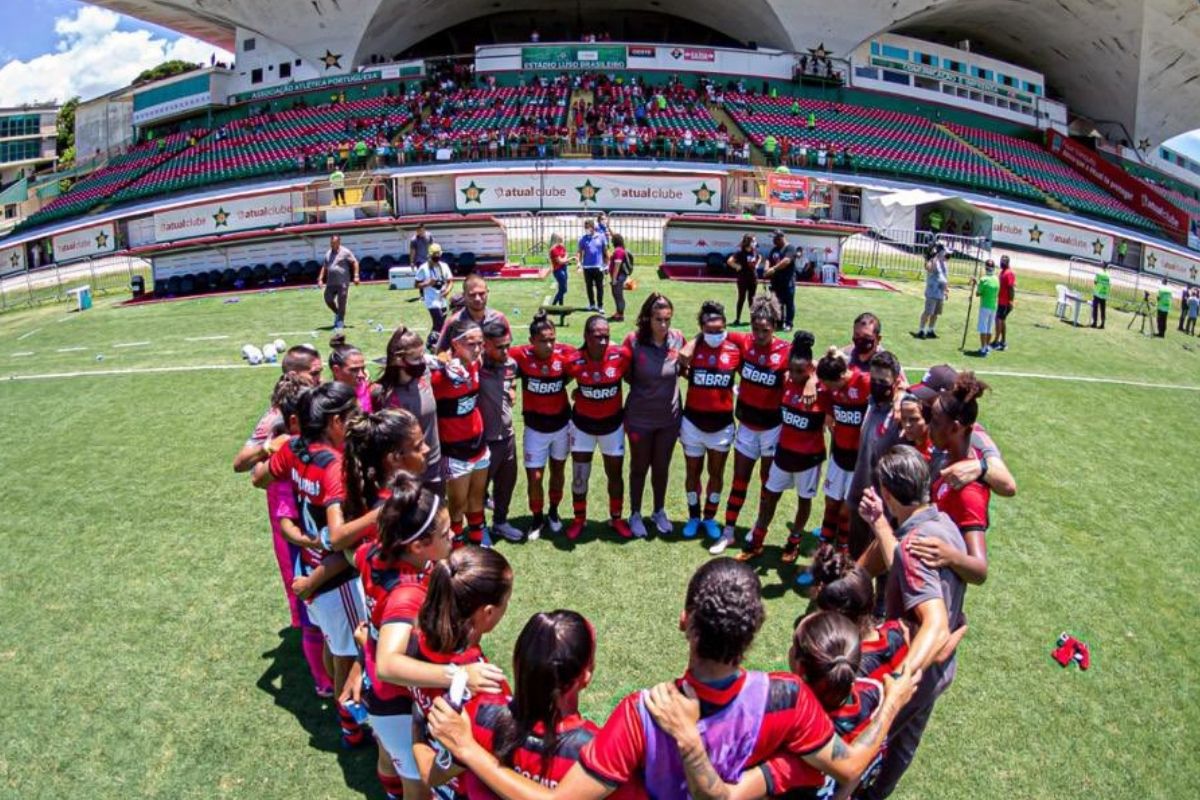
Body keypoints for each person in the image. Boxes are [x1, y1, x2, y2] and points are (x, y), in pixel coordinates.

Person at [428, 558, 917, 800]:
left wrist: (467, 752)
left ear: (685, 621)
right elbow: (849, 768)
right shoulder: (787, 699)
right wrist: (891, 702)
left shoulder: (641, 713)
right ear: (754, 631)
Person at [253, 382, 369, 749]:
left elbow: (259, 478)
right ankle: (351, 725)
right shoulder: (334, 465)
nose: (358, 421)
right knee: (352, 654)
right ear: (335, 422)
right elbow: (336, 536)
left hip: (308, 566)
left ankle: (343, 719)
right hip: (336, 576)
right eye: (353, 415)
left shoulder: (296, 448)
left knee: (333, 645)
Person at [432, 609, 644, 800]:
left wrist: (415, 726)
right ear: (586, 675)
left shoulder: (475, 718)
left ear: (519, 661)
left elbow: (433, 775)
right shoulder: (600, 754)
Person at [856, 446, 967, 799]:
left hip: (913, 669)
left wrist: (899, 680)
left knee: (868, 744)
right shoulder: (943, 525)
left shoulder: (915, 545)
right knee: (904, 745)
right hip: (940, 668)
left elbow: (932, 622)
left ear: (888, 493)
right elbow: (902, 565)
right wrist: (880, 524)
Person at [232, 370, 332, 697]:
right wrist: (271, 452)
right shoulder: (279, 433)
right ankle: (322, 680)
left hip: (313, 525)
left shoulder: (311, 436)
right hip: (295, 529)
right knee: (309, 607)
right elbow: (252, 473)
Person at [356, 473, 455, 800]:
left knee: (389, 754)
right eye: (444, 533)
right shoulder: (407, 592)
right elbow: (388, 663)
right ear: (416, 546)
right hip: (394, 698)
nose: (453, 534)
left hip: (375, 688)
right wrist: (458, 674)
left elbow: (353, 558)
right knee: (419, 783)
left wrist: (368, 633)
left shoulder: (373, 552)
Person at [388, 547, 514, 798]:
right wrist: (417, 737)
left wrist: (418, 721)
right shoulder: (488, 690)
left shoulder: (414, 637)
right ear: (488, 613)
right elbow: (433, 773)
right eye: (506, 601)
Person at [737, 330, 826, 563]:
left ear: (810, 368)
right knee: (769, 496)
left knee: (803, 501)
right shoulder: (783, 381)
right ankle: (757, 539)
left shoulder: (821, 391)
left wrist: (814, 379)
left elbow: (832, 365)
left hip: (809, 459)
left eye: (801, 372)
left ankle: (794, 541)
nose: (795, 376)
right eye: (792, 370)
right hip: (783, 454)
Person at [711, 296, 788, 555]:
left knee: (767, 485)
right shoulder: (744, 341)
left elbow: (811, 368)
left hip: (772, 430)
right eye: (755, 329)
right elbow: (713, 331)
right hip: (746, 426)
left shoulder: (786, 351)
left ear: (774, 327)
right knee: (739, 481)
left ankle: (758, 534)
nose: (759, 334)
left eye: (765, 330)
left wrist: (810, 382)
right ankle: (729, 532)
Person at [678, 301, 743, 541]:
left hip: (722, 425)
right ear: (701, 328)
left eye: (720, 330)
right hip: (693, 423)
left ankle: (709, 517)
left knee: (716, 474)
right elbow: (681, 363)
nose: (716, 335)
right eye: (709, 330)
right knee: (692, 473)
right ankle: (694, 517)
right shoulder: (692, 350)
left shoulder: (735, 350)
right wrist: (697, 339)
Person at [622, 293, 685, 538]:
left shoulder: (678, 339)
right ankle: (635, 513)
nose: (663, 325)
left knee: (661, 467)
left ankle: (659, 511)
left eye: (667, 319)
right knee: (639, 467)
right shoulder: (633, 341)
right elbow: (625, 375)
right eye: (659, 319)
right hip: (639, 418)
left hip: (668, 420)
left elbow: (687, 365)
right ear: (648, 318)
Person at [921, 373, 993, 585]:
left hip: (943, 590)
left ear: (955, 428)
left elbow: (979, 570)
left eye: (934, 422)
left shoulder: (968, 492)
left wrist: (949, 555)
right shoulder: (949, 464)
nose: (929, 428)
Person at [565, 315, 633, 540]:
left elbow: (636, 378)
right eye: (597, 337)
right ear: (586, 336)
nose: (603, 341)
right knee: (579, 476)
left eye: (606, 337)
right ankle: (579, 519)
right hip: (582, 427)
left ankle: (616, 518)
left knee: (614, 475)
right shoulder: (574, 361)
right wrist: (577, 393)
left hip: (612, 427)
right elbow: (557, 381)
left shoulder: (621, 356)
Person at [509, 311, 574, 539]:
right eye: (543, 340)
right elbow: (496, 355)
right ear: (532, 341)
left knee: (558, 471)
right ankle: (537, 518)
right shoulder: (521, 355)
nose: (549, 345)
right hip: (535, 429)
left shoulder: (564, 355)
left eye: (552, 339)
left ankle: (554, 512)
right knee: (535, 477)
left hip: (561, 426)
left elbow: (583, 362)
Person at [840, 351, 904, 564]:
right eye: (874, 380)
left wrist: (904, 395)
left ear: (896, 381)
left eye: (883, 381)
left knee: (885, 564)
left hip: (888, 507)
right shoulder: (870, 403)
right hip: (861, 495)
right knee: (856, 558)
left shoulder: (902, 413)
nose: (877, 385)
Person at [431, 316, 490, 546]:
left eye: (480, 343)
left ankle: (476, 543)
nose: (477, 349)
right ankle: (454, 549)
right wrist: (440, 360)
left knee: (477, 500)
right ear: (455, 344)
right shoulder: (440, 375)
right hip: (455, 451)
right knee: (457, 505)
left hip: (479, 445)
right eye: (471, 344)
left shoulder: (476, 363)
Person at [374, 327, 444, 494]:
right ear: (399, 360)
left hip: (434, 463)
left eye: (422, 356)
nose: (422, 361)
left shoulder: (424, 374)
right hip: (407, 470)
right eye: (416, 358)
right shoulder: (383, 393)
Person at [816, 346, 869, 553]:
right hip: (838, 455)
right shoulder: (831, 386)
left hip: (858, 461)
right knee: (831, 505)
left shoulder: (864, 382)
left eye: (830, 385)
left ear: (841, 376)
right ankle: (823, 553)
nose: (829, 389)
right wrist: (829, 411)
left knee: (847, 511)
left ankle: (842, 556)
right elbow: (823, 392)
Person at [479, 320, 523, 543]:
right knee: (478, 491)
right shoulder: (474, 367)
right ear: (485, 345)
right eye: (499, 347)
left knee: (506, 484)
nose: (505, 351)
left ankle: (500, 523)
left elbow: (510, 384)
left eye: (508, 345)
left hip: (507, 436)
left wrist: (512, 390)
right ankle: (480, 529)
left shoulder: (511, 365)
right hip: (483, 440)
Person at [437, 274, 511, 352]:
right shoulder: (453, 322)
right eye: (472, 295)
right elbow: (440, 351)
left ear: (487, 292)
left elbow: (508, 348)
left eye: (481, 294)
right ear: (464, 295)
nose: (477, 298)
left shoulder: (499, 318)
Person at [317, 234, 360, 331]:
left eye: (334, 243)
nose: (332, 245)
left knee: (341, 302)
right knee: (328, 299)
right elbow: (324, 267)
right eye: (331, 243)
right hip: (331, 282)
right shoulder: (328, 253)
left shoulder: (345, 252)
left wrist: (356, 276)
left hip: (342, 282)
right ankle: (338, 313)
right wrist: (320, 279)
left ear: (339, 243)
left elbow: (355, 262)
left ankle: (340, 321)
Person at [415, 243, 454, 349]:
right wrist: (427, 283)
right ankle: (442, 344)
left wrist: (447, 291)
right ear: (430, 255)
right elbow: (416, 284)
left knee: (437, 325)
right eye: (434, 254)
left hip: (442, 300)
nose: (437, 256)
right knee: (440, 323)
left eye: (438, 254)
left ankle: (429, 343)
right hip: (431, 300)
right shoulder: (423, 268)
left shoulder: (444, 266)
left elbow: (450, 281)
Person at [329, 334, 374, 413]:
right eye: (354, 370)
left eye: (363, 368)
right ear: (336, 370)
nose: (362, 375)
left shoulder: (371, 392)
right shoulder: (326, 399)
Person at [763, 230, 796, 330]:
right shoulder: (774, 249)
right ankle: (779, 322)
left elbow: (786, 261)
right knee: (777, 302)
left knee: (789, 303)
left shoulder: (790, 248)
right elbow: (768, 259)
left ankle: (789, 324)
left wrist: (773, 269)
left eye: (775, 238)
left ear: (781, 238)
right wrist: (766, 268)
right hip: (776, 281)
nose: (773, 240)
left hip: (787, 281)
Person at [726, 234, 762, 326]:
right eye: (753, 241)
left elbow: (760, 257)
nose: (755, 243)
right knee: (741, 298)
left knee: (752, 299)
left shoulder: (754, 251)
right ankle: (737, 319)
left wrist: (757, 265)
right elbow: (729, 261)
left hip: (753, 278)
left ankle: (752, 319)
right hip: (742, 279)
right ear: (748, 242)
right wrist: (737, 266)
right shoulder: (740, 252)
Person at [915, 242, 947, 339]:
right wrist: (934, 257)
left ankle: (930, 330)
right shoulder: (931, 261)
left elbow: (944, 277)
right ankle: (921, 330)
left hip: (940, 292)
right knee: (928, 312)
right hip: (932, 291)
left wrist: (946, 289)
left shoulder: (944, 263)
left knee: (936, 313)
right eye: (943, 252)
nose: (945, 254)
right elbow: (929, 269)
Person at [578, 219, 609, 312]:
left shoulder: (601, 237)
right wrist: (579, 263)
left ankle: (600, 306)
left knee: (600, 287)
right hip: (587, 267)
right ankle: (592, 304)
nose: (586, 229)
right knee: (589, 286)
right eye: (585, 228)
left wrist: (607, 264)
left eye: (588, 228)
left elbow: (605, 251)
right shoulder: (583, 239)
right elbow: (580, 252)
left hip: (598, 267)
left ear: (593, 227)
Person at [974, 260, 1000, 356]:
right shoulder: (996, 279)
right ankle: (986, 347)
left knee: (983, 328)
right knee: (989, 328)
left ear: (986, 268)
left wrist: (977, 284)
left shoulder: (983, 279)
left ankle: (983, 348)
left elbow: (978, 293)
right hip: (993, 306)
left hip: (985, 306)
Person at [608, 233, 632, 322]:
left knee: (618, 295)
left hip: (618, 277)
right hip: (619, 276)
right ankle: (618, 312)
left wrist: (614, 279)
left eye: (612, 240)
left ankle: (620, 315)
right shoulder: (621, 250)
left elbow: (617, 266)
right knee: (616, 295)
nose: (611, 241)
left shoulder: (618, 251)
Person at [994, 254, 1015, 350]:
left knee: (1000, 320)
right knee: (1000, 320)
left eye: (1004, 261)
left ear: (1007, 262)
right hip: (1000, 301)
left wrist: (1010, 301)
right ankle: (1001, 341)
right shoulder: (1003, 272)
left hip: (1005, 302)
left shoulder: (1009, 273)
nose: (1001, 263)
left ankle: (999, 342)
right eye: (1001, 261)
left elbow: (1011, 288)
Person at [548, 233, 574, 306]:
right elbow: (560, 261)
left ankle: (561, 305)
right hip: (558, 270)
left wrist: (565, 258)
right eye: (560, 236)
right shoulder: (553, 249)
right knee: (564, 290)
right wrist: (568, 258)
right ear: (556, 238)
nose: (562, 237)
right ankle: (553, 304)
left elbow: (565, 255)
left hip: (564, 268)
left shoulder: (562, 247)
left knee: (561, 288)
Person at [1091, 264, 1110, 329]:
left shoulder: (1098, 273)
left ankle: (1095, 322)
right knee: (1103, 309)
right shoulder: (1108, 275)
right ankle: (1102, 324)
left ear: (1102, 266)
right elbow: (1109, 284)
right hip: (1104, 293)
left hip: (1097, 293)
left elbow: (1095, 282)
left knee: (1095, 308)